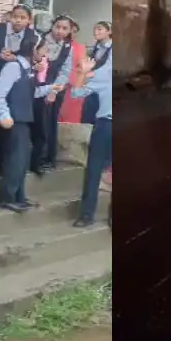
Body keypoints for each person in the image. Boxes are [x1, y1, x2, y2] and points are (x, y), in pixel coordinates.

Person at [0, 46, 62, 213]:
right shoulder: (13, 67)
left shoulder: (27, 69)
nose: (45, 55)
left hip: (24, 119)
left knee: (22, 160)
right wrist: (3, 115)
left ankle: (19, 197)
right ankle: (6, 198)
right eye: (43, 50)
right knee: (15, 160)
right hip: (14, 120)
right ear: (34, 50)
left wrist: (51, 88)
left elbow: (33, 93)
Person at [0, 3, 38, 176]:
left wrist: (16, 58)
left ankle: (3, 164)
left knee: (9, 127)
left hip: (16, 86)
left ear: (29, 20)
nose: (18, 21)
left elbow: (33, 60)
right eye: (15, 17)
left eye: (22, 18)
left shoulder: (34, 37)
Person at [72, 43, 112, 228]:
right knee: (94, 170)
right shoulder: (102, 75)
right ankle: (86, 214)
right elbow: (76, 93)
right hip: (105, 125)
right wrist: (82, 73)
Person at [31, 15, 75, 175]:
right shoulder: (40, 40)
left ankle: (48, 159)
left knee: (50, 124)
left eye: (65, 28)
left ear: (70, 30)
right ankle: (35, 160)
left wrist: (54, 91)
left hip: (56, 90)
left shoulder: (68, 47)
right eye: (58, 27)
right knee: (38, 124)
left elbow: (65, 72)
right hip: (38, 88)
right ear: (52, 26)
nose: (60, 31)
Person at [80, 21, 113, 125]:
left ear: (109, 31)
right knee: (87, 117)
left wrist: (89, 75)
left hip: (105, 88)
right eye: (95, 29)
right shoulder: (96, 48)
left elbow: (108, 68)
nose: (95, 31)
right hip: (92, 88)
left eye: (99, 29)